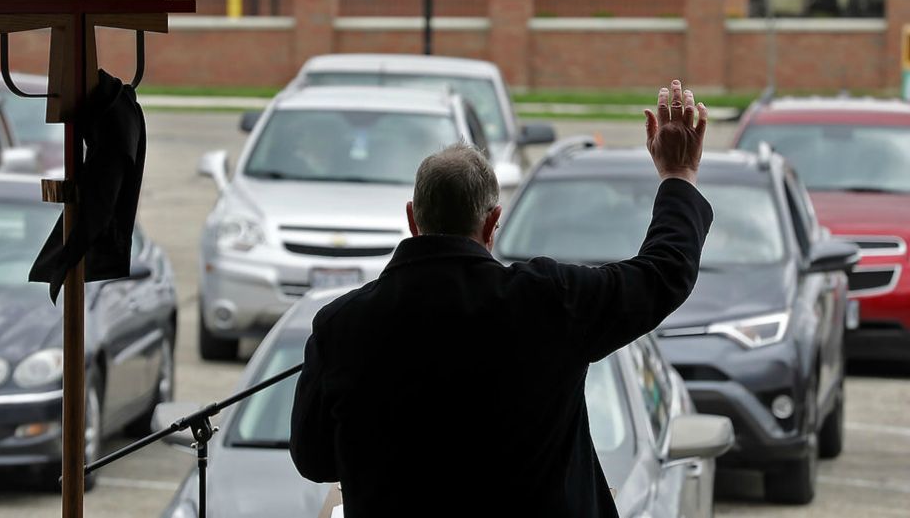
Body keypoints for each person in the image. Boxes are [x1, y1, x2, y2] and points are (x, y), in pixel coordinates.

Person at [291, 80, 713, 517]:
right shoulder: (548, 302)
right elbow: (664, 273)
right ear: (493, 223)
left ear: (413, 219)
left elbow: (315, 458)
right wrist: (678, 177)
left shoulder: (341, 326)